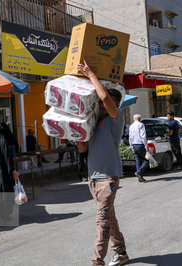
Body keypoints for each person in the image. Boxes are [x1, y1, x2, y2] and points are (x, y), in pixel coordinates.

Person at [76, 60, 129, 266]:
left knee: (102, 222)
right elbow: (82, 148)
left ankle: (97, 262)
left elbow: (105, 95)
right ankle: (121, 252)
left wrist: (89, 72)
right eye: (101, 103)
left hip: (108, 179)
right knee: (110, 218)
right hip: (93, 179)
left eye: (110, 101)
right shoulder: (95, 123)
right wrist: (77, 129)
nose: (103, 103)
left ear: (116, 104)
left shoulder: (117, 118)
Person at [129, 114, 148, 182]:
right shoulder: (141, 125)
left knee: (138, 161)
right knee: (147, 160)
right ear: (139, 119)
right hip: (140, 144)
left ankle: (140, 178)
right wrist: (146, 146)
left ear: (134, 119)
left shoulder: (131, 126)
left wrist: (131, 147)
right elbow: (143, 136)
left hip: (134, 145)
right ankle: (139, 172)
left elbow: (130, 137)